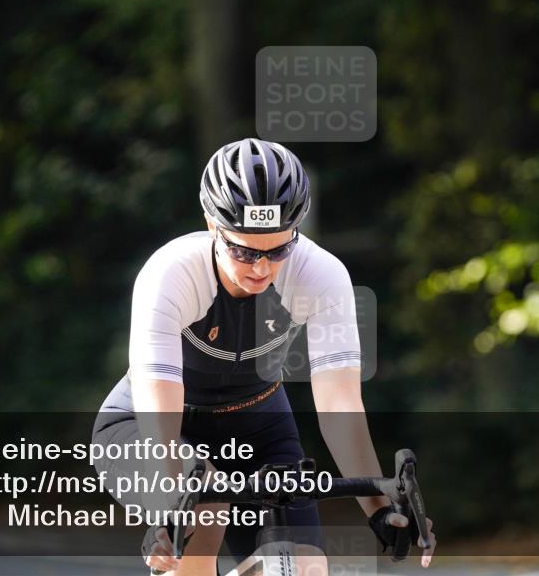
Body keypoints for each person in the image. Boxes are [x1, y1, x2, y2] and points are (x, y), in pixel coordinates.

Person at [93, 138, 435, 575]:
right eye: (244, 250)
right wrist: (168, 503)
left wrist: (379, 508)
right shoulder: (170, 273)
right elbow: (159, 402)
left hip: (258, 426)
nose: (261, 267)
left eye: (277, 250)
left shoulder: (322, 274)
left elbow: (339, 405)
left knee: (305, 567)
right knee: (205, 511)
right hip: (147, 425)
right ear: (211, 225)